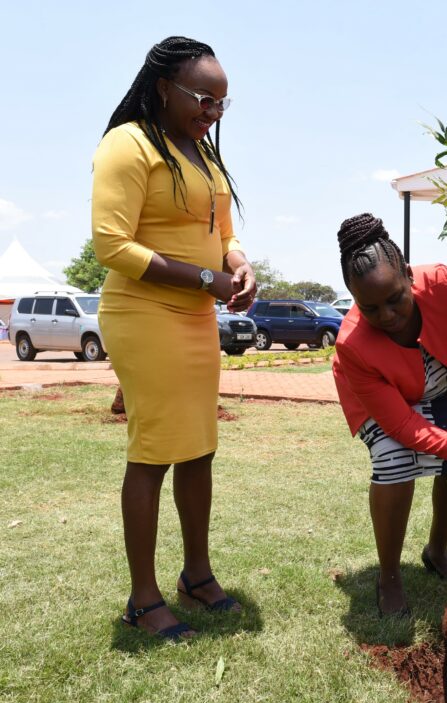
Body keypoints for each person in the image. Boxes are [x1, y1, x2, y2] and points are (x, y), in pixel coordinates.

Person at [92, 37, 256, 641]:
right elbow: (112, 244)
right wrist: (206, 278)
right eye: (202, 98)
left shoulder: (203, 155)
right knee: (154, 451)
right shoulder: (128, 144)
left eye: (222, 102)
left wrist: (239, 265)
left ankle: (196, 574)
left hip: (195, 318)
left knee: (199, 447)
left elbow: (225, 231)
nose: (212, 111)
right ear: (163, 87)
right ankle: (142, 597)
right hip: (143, 313)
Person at [333, 213, 447, 617]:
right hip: (379, 398)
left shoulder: (445, 286)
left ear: (409, 276)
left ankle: (436, 550)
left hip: (435, 376)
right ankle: (390, 577)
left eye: (395, 298)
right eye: (370, 307)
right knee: (395, 460)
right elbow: (399, 424)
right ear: (353, 297)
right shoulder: (354, 345)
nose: (387, 315)